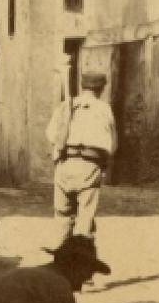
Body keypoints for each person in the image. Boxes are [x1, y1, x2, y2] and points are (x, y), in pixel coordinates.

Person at [47, 72, 116, 244]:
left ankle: (59, 263)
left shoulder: (65, 106)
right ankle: (79, 263)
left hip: (65, 164)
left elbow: (51, 136)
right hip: (89, 165)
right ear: (101, 89)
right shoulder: (104, 109)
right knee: (85, 220)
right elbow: (112, 145)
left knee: (62, 218)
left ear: (82, 86)